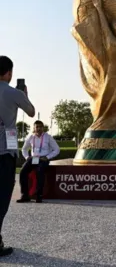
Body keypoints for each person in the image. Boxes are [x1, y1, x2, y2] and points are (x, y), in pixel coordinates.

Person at [0, 55, 35, 256]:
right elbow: (31, 112)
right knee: (2, 196)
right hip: (5, 151)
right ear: (9, 73)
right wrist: (24, 95)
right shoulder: (13, 92)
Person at [17, 120, 60, 203]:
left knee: (40, 172)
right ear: (34, 128)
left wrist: (47, 157)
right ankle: (25, 195)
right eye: (37, 127)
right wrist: (27, 157)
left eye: (40, 127)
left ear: (43, 128)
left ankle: (38, 195)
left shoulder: (48, 137)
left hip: (43, 159)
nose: (39, 128)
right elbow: (24, 149)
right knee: (22, 172)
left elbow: (57, 149)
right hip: (33, 159)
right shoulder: (30, 137)